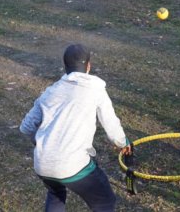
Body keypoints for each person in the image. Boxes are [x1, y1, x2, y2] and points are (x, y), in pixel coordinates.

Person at [20, 44, 131, 212]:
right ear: (88, 66)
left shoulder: (50, 92)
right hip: (72, 165)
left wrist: (42, 143)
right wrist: (124, 143)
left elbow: (26, 127)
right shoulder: (95, 88)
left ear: (65, 67)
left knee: (56, 193)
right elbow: (111, 125)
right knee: (105, 201)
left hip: (43, 164)